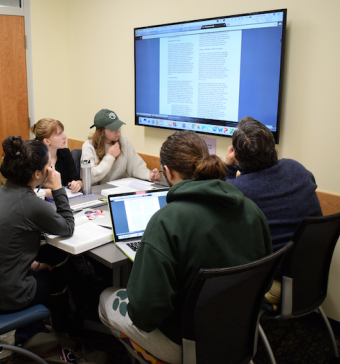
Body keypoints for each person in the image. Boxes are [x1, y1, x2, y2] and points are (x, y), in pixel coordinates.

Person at [99, 130, 272, 364]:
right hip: (240, 331)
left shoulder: (166, 221)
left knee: (106, 299)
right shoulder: (252, 210)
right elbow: (265, 282)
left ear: (168, 172)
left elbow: (146, 315)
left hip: (187, 345)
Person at [0, 136, 75, 313]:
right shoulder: (30, 203)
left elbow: (5, 245)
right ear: (37, 174)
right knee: (58, 276)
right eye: (49, 167)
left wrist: (33, 265)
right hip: (8, 296)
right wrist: (58, 189)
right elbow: (67, 227)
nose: (51, 170)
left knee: (48, 255)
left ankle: (33, 330)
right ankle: (62, 332)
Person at [225, 116, 323, 251]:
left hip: (267, 268)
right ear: (272, 147)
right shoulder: (296, 168)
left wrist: (229, 168)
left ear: (236, 156)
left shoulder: (238, 191)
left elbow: (219, 198)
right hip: (306, 263)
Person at [82, 109, 161, 185]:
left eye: (118, 126)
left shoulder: (124, 141)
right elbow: (89, 178)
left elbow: (136, 166)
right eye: (113, 128)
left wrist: (148, 175)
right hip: (97, 193)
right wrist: (110, 156)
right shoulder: (89, 146)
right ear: (102, 131)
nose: (118, 131)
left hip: (120, 189)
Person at [31, 118, 82, 197]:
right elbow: (23, 191)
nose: (65, 136)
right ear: (47, 141)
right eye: (59, 134)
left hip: (67, 201)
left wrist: (77, 184)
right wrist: (44, 192)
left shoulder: (65, 153)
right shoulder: (33, 158)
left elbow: (77, 180)